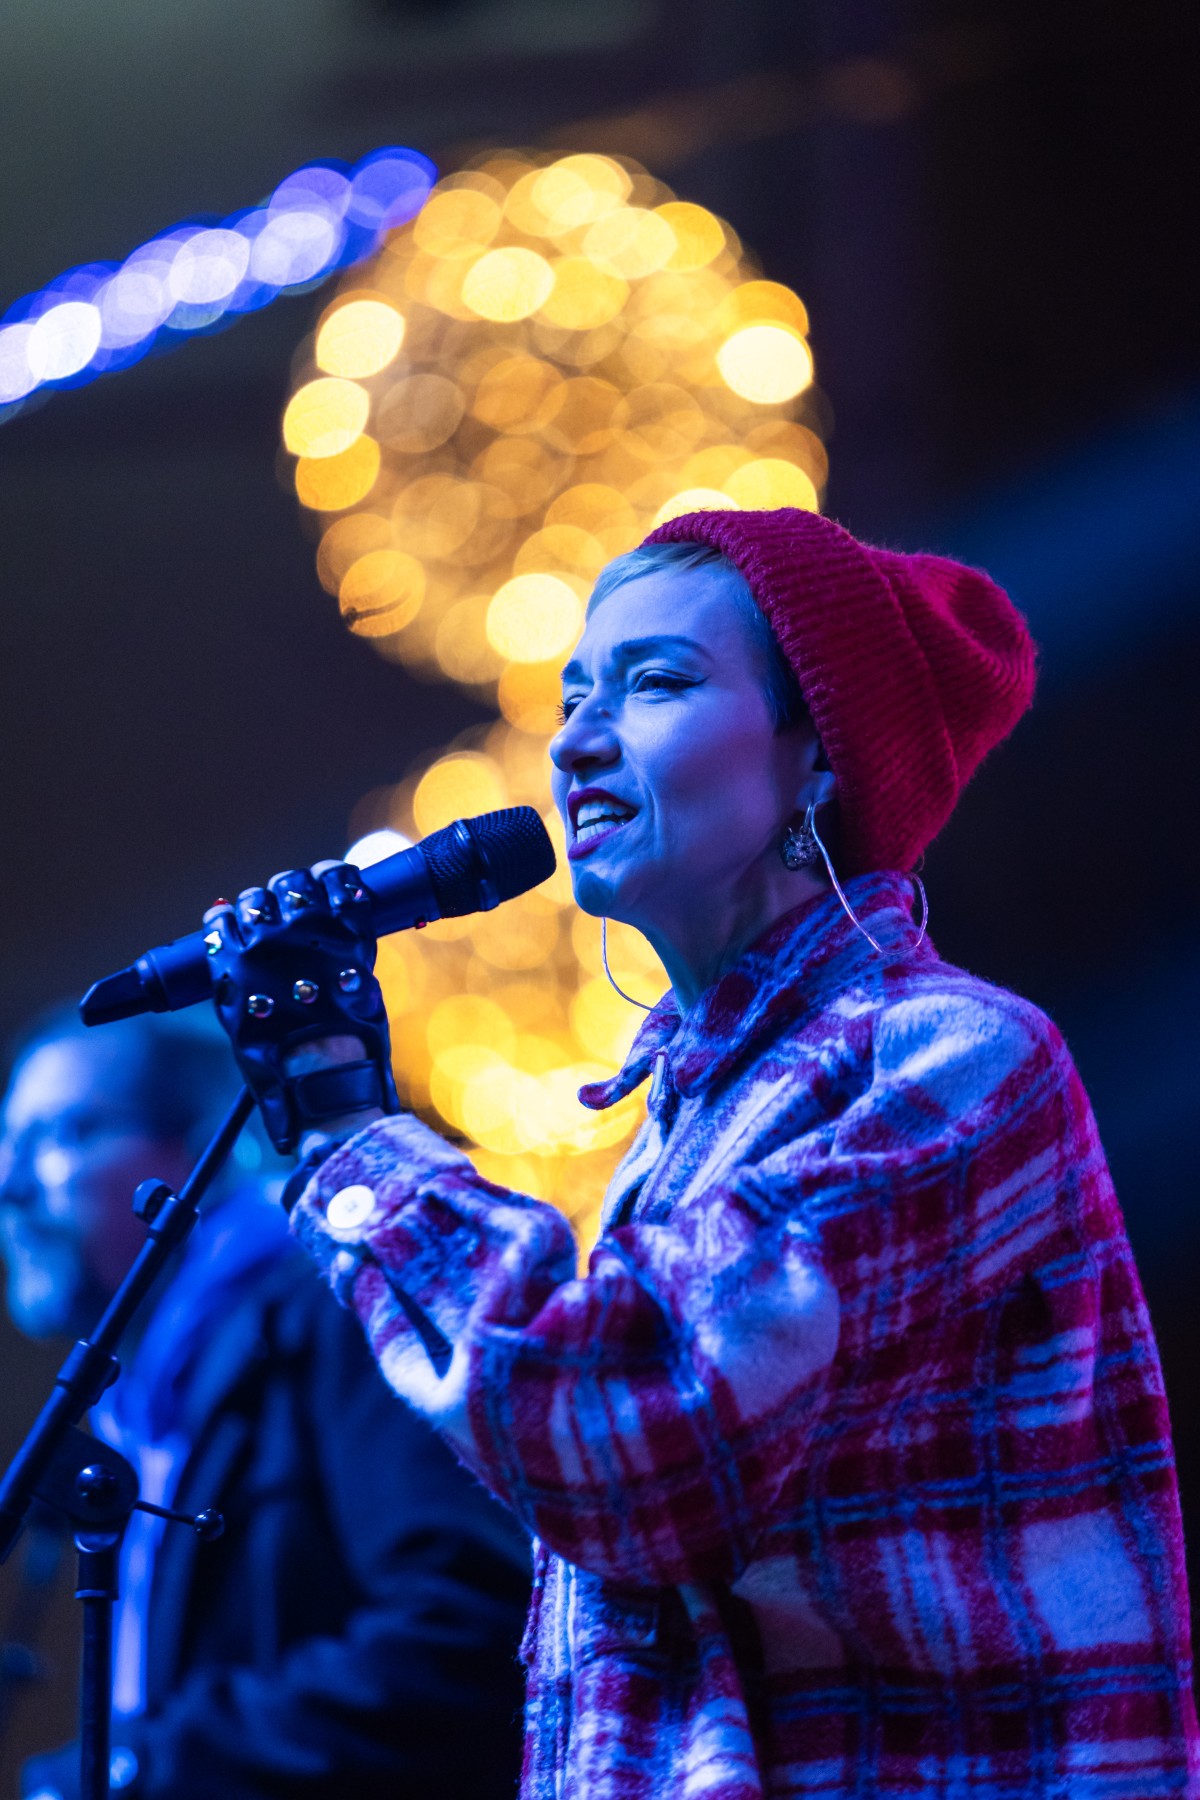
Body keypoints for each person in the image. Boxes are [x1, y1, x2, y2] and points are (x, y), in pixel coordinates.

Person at [201, 507, 1198, 1798]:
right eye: (574, 696)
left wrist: (352, 1137)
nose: (574, 739)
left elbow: (633, 1426)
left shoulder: (947, 1059)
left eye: (656, 683)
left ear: (819, 757)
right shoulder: (688, 1124)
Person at [0, 1006, 529, 1800]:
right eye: (8, 1143)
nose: (10, 1186)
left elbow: (470, 1629)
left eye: (65, 1134)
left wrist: (140, 1771)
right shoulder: (153, 1407)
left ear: (194, 1156)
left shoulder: (333, 1314)